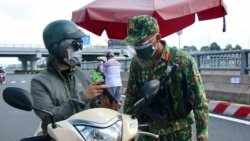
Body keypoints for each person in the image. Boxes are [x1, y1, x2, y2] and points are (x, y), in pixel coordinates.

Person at [123, 15, 209, 141]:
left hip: (178, 133)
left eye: (141, 42)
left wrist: (202, 135)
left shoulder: (183, 62)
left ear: (157, 38)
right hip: (148, 133)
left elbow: (199, 103)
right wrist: (127, 133)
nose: (137, 48)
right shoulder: (137, 64)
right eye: (134, 44)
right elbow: (131, 98)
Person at [31, 19, 109, 134]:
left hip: (87, 135)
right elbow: (49, 118)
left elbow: (94, 108)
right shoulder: (40, 82)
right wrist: (83, 97)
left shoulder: (83, 75)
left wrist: (107, 106)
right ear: (56, 47)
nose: (79, 49)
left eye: (81, 44)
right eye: (75, 44)